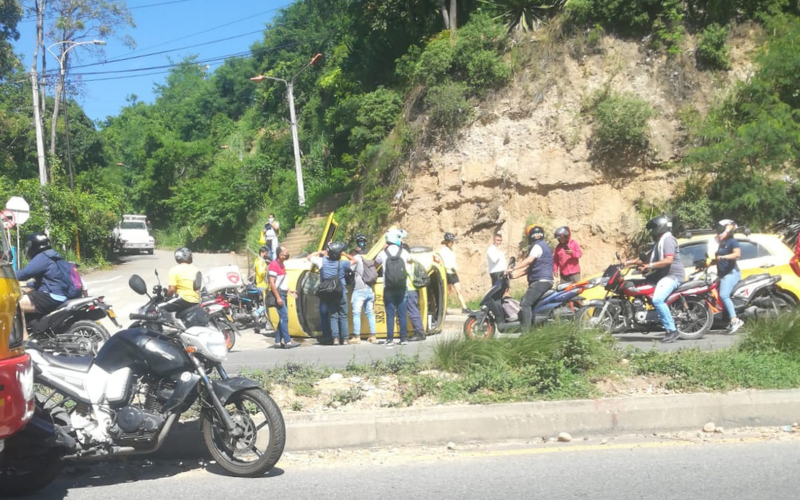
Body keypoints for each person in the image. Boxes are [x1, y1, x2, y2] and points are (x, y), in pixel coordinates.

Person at [626, 215, 685, 344]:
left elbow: (668, 260)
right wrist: (627, 263)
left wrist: (650, 266)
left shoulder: (668, 240)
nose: (652, 231)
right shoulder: (658, 242)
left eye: (654, 228)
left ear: (660, 227)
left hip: (672, 276)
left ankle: (672, 330)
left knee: (657, 300)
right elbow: (645, 258)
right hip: (661, 276)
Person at [510, 224, 554, 330]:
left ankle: (525, 331)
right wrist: (513, 275)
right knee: (529, 303)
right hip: (544, 280)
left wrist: (513, 268)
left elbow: (529, 261)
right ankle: (535, 327)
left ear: (531, 236)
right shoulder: (544, 245)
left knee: (525, 303)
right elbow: (530, 268)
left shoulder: (537, 246)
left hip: (541, 281)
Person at [308, 242, 352, 346]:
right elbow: (354, 260)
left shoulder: (322, 262)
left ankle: (335, 339)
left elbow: (309, 257)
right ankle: (345, 339)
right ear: (338, 254)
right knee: (343, 316)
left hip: (329, 293)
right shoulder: (342, 263)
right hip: (341, 292)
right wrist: (344, 254)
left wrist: (322, 252)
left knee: (333, 316)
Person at [17, 232, 70, 316]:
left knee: (14, 305)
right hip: (60, 294)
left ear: (33, 245)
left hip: (51, 296)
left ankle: (23, 329)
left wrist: (8, 276)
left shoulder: (42, 257)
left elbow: (25, 273)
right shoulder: (53, 255)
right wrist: (28, 285)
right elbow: (48, 279)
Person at [376, 229, 411, 348]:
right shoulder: (404, 252)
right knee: (402, 314)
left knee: (390, 314)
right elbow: (410, 260)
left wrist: (383, 249)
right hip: (402, 287)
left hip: (388, 288)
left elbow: (376, 261)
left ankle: (390, 339)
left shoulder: (383, 253)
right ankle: (403, 338)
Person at [715, 219, 743, 334]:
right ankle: (726, 319)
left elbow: (737, 254)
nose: (717, 232)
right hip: (722, 274)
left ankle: (735, 320)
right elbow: (717, 258)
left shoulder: (732, 241)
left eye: (719, 229)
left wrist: (723, 257)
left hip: (731, 273)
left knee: (724, 295)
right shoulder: (721, 243)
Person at [269, 246, 299, 348]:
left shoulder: (281, 264)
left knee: (283, 317)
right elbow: (272, 283)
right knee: (284, 317)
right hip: (279, 294)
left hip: (283, 293)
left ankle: (277, 341)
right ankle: (288, 342)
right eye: (286, 252)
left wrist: (289, 291)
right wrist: (278, 297)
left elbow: (282, 281)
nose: (287, 254)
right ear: (280, 255)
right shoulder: (274, 265)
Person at [351, 234, 376, 344]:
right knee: (370, 313)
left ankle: (357, 336)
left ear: (357, 244)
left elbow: (350, 269)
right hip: (369, 288)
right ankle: (373, 336)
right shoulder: (370, 256)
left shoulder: (356, 258)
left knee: (356, 313)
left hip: (359, 289)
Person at [439, 232, 471, 314]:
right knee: (447, 292)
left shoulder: (452, 250)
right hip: (447, 273)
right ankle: (443, 308)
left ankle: (464, 307)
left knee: (458, 290)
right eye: (451, 241)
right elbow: (442, 262)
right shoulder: (443, 251)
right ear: (447, 241)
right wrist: (449, 267)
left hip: (453, 272)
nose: (453, 243)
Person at [164, 247, 201, 312]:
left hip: (183, 299)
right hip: (196, 300)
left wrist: (166, 296)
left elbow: (172, 289)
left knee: (159, 308)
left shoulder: (174, 270)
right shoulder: (196, 269)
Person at [403, 243, 426, 342]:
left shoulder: (407, 261)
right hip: (413, 288)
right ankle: (418, 331)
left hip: (409, 288)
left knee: (412, 311)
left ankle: (419, 332)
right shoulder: (414, 259)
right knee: (414, 310)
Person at [252, 246, 271, 334]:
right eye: (266, 254)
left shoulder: (257, 260)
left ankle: (266, 322)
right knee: (267, 303)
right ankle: (258, 313)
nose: (267, 255)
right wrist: (268, 269)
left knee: (265, 302)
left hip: (259, 284)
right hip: (263, 285)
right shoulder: (261, 261)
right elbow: (261, 272)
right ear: (262, 253)